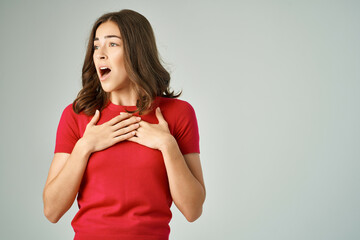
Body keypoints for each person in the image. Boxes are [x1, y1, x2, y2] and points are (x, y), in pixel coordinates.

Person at [42, 9, 205, 240]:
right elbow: (51, 210)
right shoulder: (76, 115)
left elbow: (193, 210)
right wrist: (85, 146)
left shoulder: (177, 114)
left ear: (137, 51)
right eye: (96, 46)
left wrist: (167, 145)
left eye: (112, 44)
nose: (100, 54)